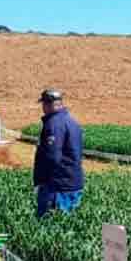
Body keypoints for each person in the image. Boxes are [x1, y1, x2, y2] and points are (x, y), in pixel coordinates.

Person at [32, 89, 85, 218]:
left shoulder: (53, 124)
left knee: (49, 224)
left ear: (49, 104)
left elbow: (52, 157)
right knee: (67, 224)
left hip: (57, 187)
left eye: (43, 104)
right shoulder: (71, 121)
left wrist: (42, 181)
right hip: (73, 182)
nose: (43, 108)